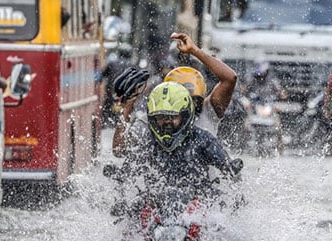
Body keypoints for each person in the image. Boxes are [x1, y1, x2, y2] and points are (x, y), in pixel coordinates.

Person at [111, 81, 243, 219]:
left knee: (220, 217)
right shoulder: (147, 141)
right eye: (161, 117)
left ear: (185, 115)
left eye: (173, 117)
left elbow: (227, 165)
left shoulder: (202, 138)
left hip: (197, 209)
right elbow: (122, 154)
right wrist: (125, 110)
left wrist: (229, 169)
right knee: (131, 216)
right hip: (156, 208)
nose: (167, 122)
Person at [111, 32, 238, 157]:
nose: (187, 105)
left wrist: (195, 51)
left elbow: (230, 78)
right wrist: (126, 110)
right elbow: (119, 150)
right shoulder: (155, 118)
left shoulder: (208, 112)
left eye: (193, 101)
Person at [101, 43, 137, 127]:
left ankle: (105, 121)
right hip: (127, 94)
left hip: (112, 93)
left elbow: (103, 74)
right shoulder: (133, 65)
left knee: (107, 106)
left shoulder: (112, 63)